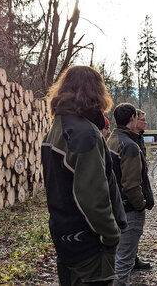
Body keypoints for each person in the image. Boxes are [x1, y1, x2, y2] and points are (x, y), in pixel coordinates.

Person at [42, 65, 124, 286]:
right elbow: (92, 197)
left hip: (64, 236)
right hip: (89, 243)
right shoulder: (84, 134)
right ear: (96, 92)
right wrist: (110, 235)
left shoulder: (57, 128)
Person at [107, 103, 154, 286]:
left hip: (114, 208)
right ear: (132, 119)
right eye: (138, 117)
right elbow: (131, 185)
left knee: (116, 259)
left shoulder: (111, 140)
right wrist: (141, 205)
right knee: (124, 263)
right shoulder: (129, 146)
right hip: (128, 211)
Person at [129, 109, 151, 270]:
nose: (145, 122)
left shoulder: (139, 138)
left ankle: (133, 257)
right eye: (142, 120)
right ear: (134, 120)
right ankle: (129, 260)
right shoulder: (130, 141)